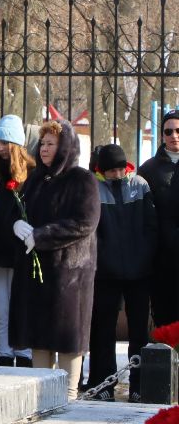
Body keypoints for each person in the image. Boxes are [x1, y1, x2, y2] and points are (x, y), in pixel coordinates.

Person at [9, 119, 100, 400]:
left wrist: (42, 235)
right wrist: (17, 225)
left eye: (51, 144)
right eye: (43, 143)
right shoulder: (36, 179)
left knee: (68, 341)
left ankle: (69, 397)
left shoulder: (82, 180)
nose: (45, 148)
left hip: (69, 275)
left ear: (65, 147)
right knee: (39, 339)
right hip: (38, 277)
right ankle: (41, 399)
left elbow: (85, 222)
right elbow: (20, 211)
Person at [86, 143, 156, 402]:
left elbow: (151, 227)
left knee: (139, 331)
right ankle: (103, 384)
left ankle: (139, 385)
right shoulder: (94, 188)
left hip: (139, 271)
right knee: (102, 331)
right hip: (106, 273)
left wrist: (144, 257)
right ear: (101, 171)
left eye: (119, 169)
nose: (116, 174)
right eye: (111, 171)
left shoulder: (140, 185)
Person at [0, 114, 35, 367]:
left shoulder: (31, 174)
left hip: (20, 252)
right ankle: (4, 354)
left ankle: (24, 354)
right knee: (0, 310)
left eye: (5, 142)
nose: (1, 148)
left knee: (21, 308)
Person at [137, 109, 179, 329]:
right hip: (161, 257)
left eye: (178, 130)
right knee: (165, 317)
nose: (174, 135)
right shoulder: (149, 169)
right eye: (168, 131)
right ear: (162, 135)